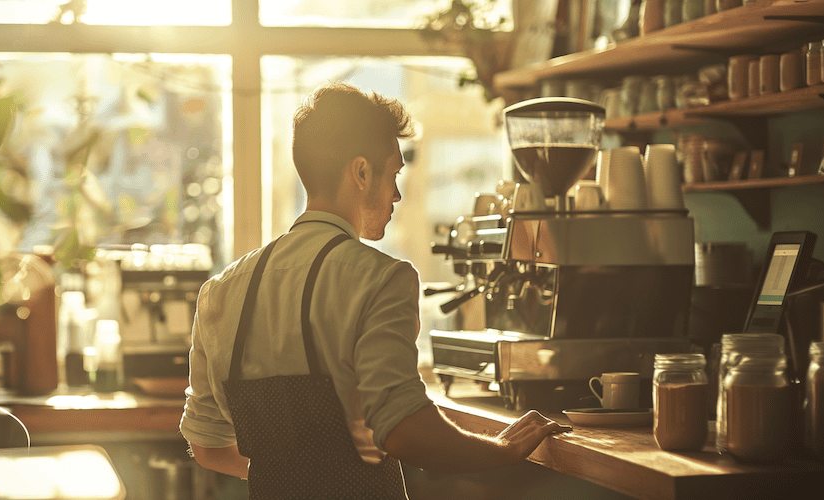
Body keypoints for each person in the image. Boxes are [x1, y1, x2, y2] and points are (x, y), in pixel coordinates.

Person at [180, 81, 569, 498]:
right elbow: (405, 431)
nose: (397, 194)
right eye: (395, 173)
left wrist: (294, 481)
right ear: (362, 172)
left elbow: (208, 445)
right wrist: (501, 448)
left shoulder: (220, 291)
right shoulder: (381, 279)